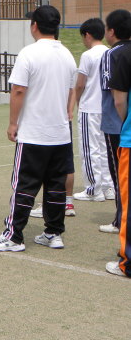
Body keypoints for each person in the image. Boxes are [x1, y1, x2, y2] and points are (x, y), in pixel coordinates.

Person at [0, 5, 76, 252]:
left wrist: (13, 123)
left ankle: (13, 236)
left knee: (24, 186)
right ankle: (53, 232)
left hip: (34, 133)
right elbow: (71, 91)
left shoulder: (29, 53)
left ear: (34, 25)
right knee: (55, 187)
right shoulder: (67, 54)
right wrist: (66, 115)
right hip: (60, 134)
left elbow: (18, 90)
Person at [72, 18, 113, 202]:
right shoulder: (110, 52)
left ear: (87, 35)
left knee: (89, 149)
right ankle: (108, 187)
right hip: (106, 108)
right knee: (105, 149)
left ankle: (93, 189)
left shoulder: (88, 55)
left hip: (90, 107)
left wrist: (77, 101)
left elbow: (80, 84)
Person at [98, 9, 131, 235]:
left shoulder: (111, 54)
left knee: (119, 173)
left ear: (111, 31)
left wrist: (124, 119)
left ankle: (121, 219)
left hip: (117, 124)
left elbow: (115, 93)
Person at [107, 28, 131, 277]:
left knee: (129, 203)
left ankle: (128, 262)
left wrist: (125, 123)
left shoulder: (124, 55)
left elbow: (119, 101)